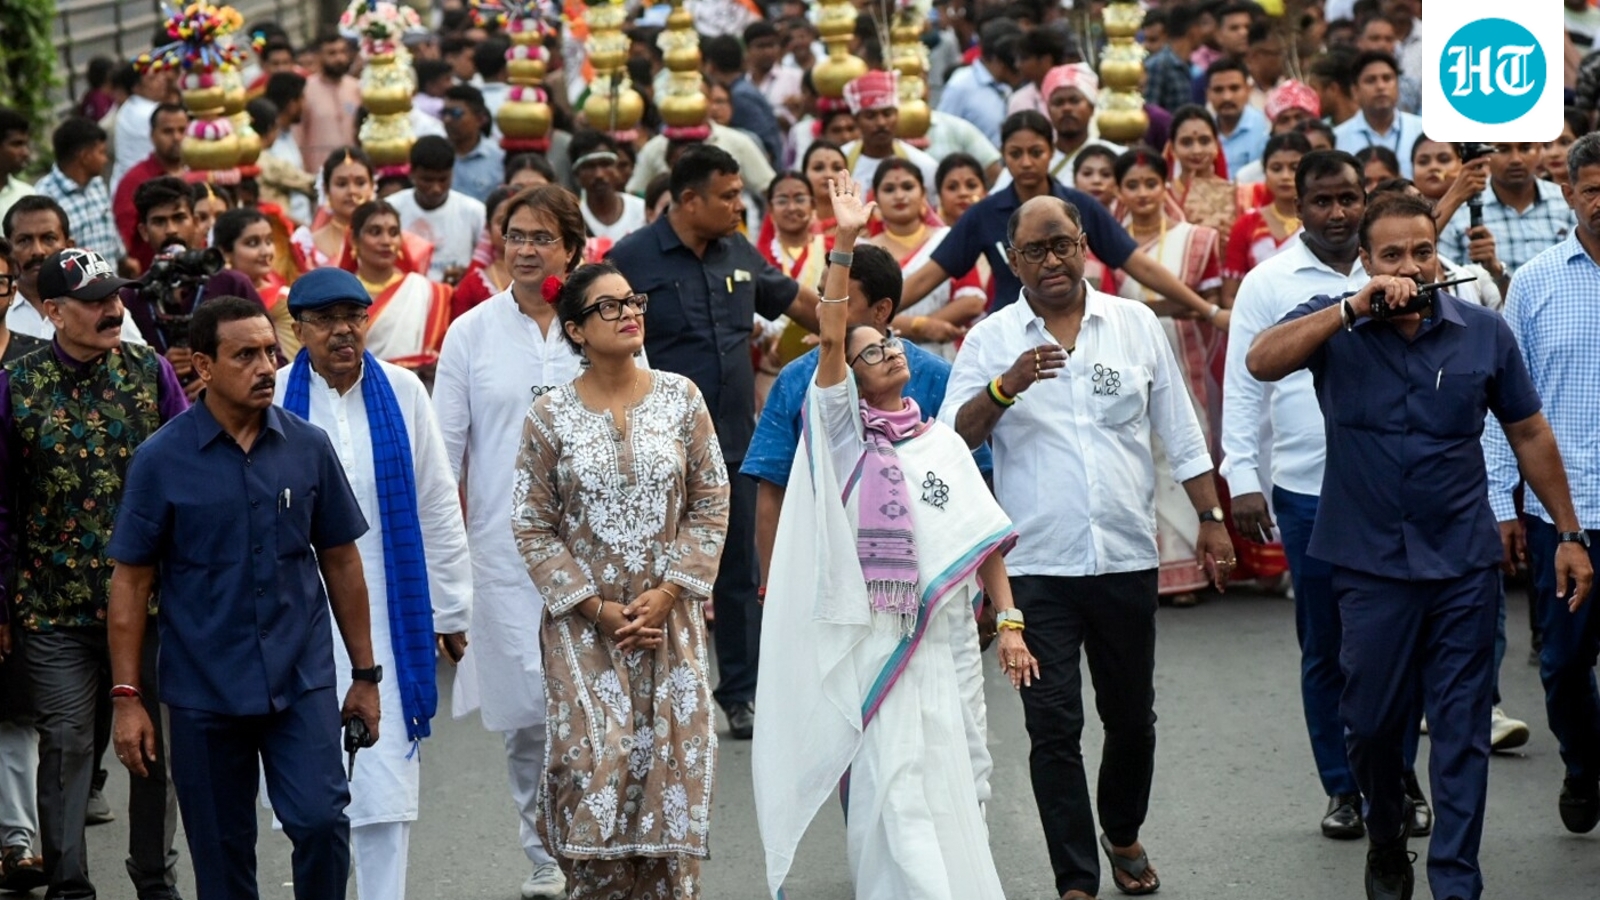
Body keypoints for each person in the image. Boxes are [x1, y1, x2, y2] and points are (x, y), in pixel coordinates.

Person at [1244, 192, 1593, 900]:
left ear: (1440, 254)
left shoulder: (1483, 331)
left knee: (1462, 732)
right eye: (1394, 254)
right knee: (1371, 725)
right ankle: (1385, 832)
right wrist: (1351, 308)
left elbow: (1529, 432)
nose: (1411, 266)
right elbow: (1259, 360)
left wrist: (1569, 533)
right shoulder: (1334, 326)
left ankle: (1456, 882)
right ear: (1366, 261)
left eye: (1423, 251)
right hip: (1367, 566)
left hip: (1462, 564)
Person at [940, 194, 1234, 900]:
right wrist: (1004, 388)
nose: (1052, 261)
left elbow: (1181, 432)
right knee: (1053, 729)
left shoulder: (1133, 325)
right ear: (1012, 262)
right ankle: (1076, 879)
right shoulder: (990, 339)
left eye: (1063, 245)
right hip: (1037, 568)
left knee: (1132, 720)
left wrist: (1212, 518)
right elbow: (953, 438)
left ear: (1084, 247)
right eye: (1035, 251)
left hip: (1127, 559)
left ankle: (1122, 831)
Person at [754, 177, 1028, 899]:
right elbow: (835, 332)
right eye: (871, 353)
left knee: (966, 775)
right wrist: (843, 240)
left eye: (894, 343)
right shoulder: (840, 437)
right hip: (879, 639)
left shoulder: (938, 442)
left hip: (947, 643)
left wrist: (1009, 623)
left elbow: (984, 538)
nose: (890, 354)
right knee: (895, 789)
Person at [105, 295, 380, 900]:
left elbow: (340, 559)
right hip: (203, 691)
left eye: (269, 352)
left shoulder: (307, 447)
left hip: (299, 678)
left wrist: (365, 675)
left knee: (321, 821)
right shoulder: (160, 461)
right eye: (245, 355)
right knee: (223, 862)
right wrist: (127, 698)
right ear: (203, 366)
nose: (266, 366)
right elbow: (130, 582)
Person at [1221, 150, 1432, 841]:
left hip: (1396, 490)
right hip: (1307, 490)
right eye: (1323, 202)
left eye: (1349, 199)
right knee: (1327, 649)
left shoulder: (1399, 266)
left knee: (1397, 645)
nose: (1337, 213)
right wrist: (1242, 478)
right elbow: (1245, 383)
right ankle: (1343, 789)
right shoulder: (1269, 281)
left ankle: (1398, 778)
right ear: (1298, 206)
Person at [508, 259, 727, 900]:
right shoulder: (549, 417)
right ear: (575, 329)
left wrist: (666, 595)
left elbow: (711, 501)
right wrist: (597, 606)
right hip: (585, 631)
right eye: (609, 307)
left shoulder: (682, 397)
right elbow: (530, 523)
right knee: (591, 766)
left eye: (633, 301)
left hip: (670, 624)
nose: (629, 313)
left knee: (669, 775)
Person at [607, 145, 822, 742]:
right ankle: (643, 694)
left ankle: (742, 695)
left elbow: (796, 301)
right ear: (689, 200)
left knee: (734, 576)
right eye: (727, 196)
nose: (737, 205)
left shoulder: (738, 252)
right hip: (652, 451)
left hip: (731, 445)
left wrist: (850, 326)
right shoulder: (631, 259)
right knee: (649, 577)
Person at [271, 268, 471, 900]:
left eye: (354, 316)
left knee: (384, 785)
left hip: (387, 605)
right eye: (325, 320)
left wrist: (451, 607)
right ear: (296, 329)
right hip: (296, 610)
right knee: (311, 791)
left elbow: (437, 501)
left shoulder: (405, 391)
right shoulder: (273, 395)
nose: (343, 331)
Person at [0, 248, 187, 900]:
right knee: (68, 744)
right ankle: (71, 885)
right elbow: (0, 503)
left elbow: (191, 478)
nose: (113, 309)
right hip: (52, 606)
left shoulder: (150, 371)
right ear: (52, 311)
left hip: (152, 604)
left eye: (115, 296)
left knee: (151, 750)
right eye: (94, 300)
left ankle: (154, 881)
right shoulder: (16, 386)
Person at [433, 184, 592, 900]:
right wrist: (450, 583)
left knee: (595, 709)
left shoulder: (597, 325)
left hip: (596, 552)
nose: (525, 250)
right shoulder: (470, 333)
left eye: (541, 237)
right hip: (504, 556)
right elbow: (443, 459)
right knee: (529, 718)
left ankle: (596, 843)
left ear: (571, 246)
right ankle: (545, 857)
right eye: (514, 236)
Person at [1484, 133, 1600, 838]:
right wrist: (1502, 502)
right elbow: (1503, 411)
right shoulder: (1534, 282)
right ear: (1569, 192)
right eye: (1594, 188)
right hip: (1566, 514)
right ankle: (1584, 766)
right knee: (1561, 663)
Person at [902, 111, 1226, 324]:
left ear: (1051, 151)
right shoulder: (985, 214)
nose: (1026, 162)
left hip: (1079, 329)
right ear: (1004, 155)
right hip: (1009, 331)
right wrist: (869, 317)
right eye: (1016, 154)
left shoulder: (1079, 205)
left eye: (1036, 152)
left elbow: (1138, 264)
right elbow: (927, 276)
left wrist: (1208, 310)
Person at [1108, 147, 1230, 606]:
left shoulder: (1197, 239)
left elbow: (1209, 299)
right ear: (1120, 191)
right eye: (1132, 185)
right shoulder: (1108, 244)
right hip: (1125, 357)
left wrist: (1147, 308)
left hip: (1182, 355)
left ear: (1165, 186)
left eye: (1150, 183)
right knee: (1140, 455)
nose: (1142, 193)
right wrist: (1167, 306)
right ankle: (1151, 568)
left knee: (1183, 447)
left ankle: (1191, 572)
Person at [869, 159, 984, 360]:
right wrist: (920, 327)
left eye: (907, 187)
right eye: (889, 189)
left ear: (923, 193)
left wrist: (918, 329)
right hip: (880, 357)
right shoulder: (863, 249)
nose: (899, 195)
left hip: (944, 353)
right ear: (875, 198)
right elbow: (859, 314)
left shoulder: (948, 239)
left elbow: (972, 301)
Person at [4, 196, 147, 345]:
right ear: (8, 250)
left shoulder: (105, 307)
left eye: (48, 238)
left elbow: (142, 363)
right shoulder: (2, 309)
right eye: (24, 240)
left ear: (68, 246)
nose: (38, 251)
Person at [1440, 142, 1578, 279]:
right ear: (1486, 154)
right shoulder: (1460, 212)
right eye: (1503, 149)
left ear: (1540, 149)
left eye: (1525, 148)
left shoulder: (1568, 203)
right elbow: (1446, 278)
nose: (1516, 159)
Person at [343, 200, 451, 372]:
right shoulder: (341, 293)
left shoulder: (423, 290)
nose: (386, 241)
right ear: (354, 239)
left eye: (393, 233)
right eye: (375, 232)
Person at [291, 147, 434, 277]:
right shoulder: (305, 245)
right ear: (326, 189)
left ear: (373, 187)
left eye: (360, 183)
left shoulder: (397, 242)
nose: (352, 191)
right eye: (342, 184)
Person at [993, 63, 1125, 192]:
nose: (1066, 108)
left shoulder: (1117, 156)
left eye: (1074, 101)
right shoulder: (1031, 160)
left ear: (1092, 107)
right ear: (1048, 109)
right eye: (1058, 102)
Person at [1223, 131, 1310, 307]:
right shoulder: (1247, 224)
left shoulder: (1321, 221)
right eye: (1276, 168)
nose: (1285, 176)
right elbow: (1229, 296)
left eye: (1294, 168)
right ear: (1264, 171)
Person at [388, 136, 486, 284]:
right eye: (427, 180)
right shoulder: (391, 209)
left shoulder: (474, 211)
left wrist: (467, 275)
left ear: (452, 173)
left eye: (443, 180)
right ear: (412, 173)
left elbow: (487, 261)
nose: (436, 189)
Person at [1166, 105, 1259, 258]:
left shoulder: (1238, 194)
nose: (1196, 150)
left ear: (1216, 145)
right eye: (1186, 142)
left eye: (1204, 141)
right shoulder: (1163, 197)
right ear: (1172, 149)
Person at [33, 117, 123, 265]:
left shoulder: (97, 184)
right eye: (101, 152)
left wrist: (123, 258)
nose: (105, 160)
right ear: (85, 156)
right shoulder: (45, 196)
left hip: (110, 282)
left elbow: (109, 226)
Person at [112, 103, 189, 272]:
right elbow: (125, 240)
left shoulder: (200, 172)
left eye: (182, 130)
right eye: (168, 131)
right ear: (152, 135)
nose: (177, 137)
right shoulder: (134, 180)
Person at [839, 71, 941, 193]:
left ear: (897, 115)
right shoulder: (840, 162)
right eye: (870, 116)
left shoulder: (924, 166)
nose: (881, 123)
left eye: (887, 114)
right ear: (856, 120)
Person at [214, 207, 297, 354]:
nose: (266, 251)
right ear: (225, 252)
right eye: (252, 243)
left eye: (269, 241)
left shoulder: (286, 300)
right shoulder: (210, 297)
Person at [1330, 51, 1422, 178]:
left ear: (1398, 86)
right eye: (1370, 80)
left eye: (1387, 78)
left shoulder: (1422, 130)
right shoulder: (1337, 138)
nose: (1380, 86)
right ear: (1355, 91)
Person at [937, 20, 1021, 146]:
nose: (1020, 67)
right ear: (997, 60)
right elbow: (943, 132)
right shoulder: (961, 85)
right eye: (1016, 61)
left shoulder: (1005, 88)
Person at [296, 31, 363, 176]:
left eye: (342, 52)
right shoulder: (305, 91)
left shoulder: (357, 88)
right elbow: (298, 136)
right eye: (332, 53)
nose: (339, 58)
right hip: (318, 173)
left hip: (354, 169)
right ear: (318, 56)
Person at [568, 130, 647, 247]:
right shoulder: (571, 220)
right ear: (576, 174)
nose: (599, 174)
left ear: (616, 167)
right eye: (589, 166)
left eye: (605, 164)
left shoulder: (642, 211)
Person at [450, 185, 514, 320]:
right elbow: (458, 335)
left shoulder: (542, 279)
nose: (511, 229)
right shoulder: (471, 285)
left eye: (518, 221)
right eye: (502, 221)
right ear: (488, 229)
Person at [1203, 58, 1269, 179]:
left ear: (1249, 90)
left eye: (1234, 88)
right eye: (1218, 90)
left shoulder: (1265, 127)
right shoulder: (1202, 132)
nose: (1227, 97)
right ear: (1207, 94)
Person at [440, 85, 504, 205]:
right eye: (444, 113)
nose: (447, 120)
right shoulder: (435, 155)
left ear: (480, 119)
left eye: (456, 113)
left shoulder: (499, 159)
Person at [801, 141, 849, 238]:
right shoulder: (788, 216)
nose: (828, 175)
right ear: (804, 174)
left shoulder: (861, 220)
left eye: (837, 168)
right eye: (818, 168)